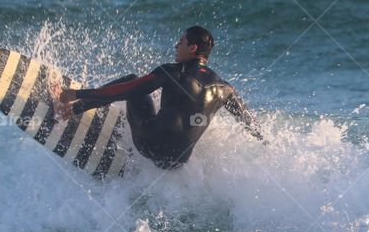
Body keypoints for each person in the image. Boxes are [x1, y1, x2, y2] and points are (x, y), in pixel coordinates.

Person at [56, 26, 264, 169]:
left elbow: (126, 90)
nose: (176, 46)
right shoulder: (225, 89)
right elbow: (249, 123)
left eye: (180, 42)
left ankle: (68, 111)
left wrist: (76, 96)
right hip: (177, 162)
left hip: (148, 145)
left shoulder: (173, 72)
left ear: (192, 48)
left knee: (131, 80)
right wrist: (267, 146)